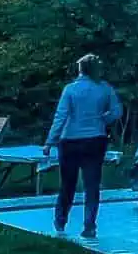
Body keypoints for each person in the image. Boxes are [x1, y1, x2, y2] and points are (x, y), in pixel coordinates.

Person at [46, 53, 123, 238]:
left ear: (80, 69)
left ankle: (60, 220)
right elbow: (117, 111)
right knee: (92, 185)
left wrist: (50, 141)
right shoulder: (104, 88)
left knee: (67, 184)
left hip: (70, 140)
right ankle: (89, 225)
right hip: (95, 139)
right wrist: (103, 119)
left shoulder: (70, 90)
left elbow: (61, 116)